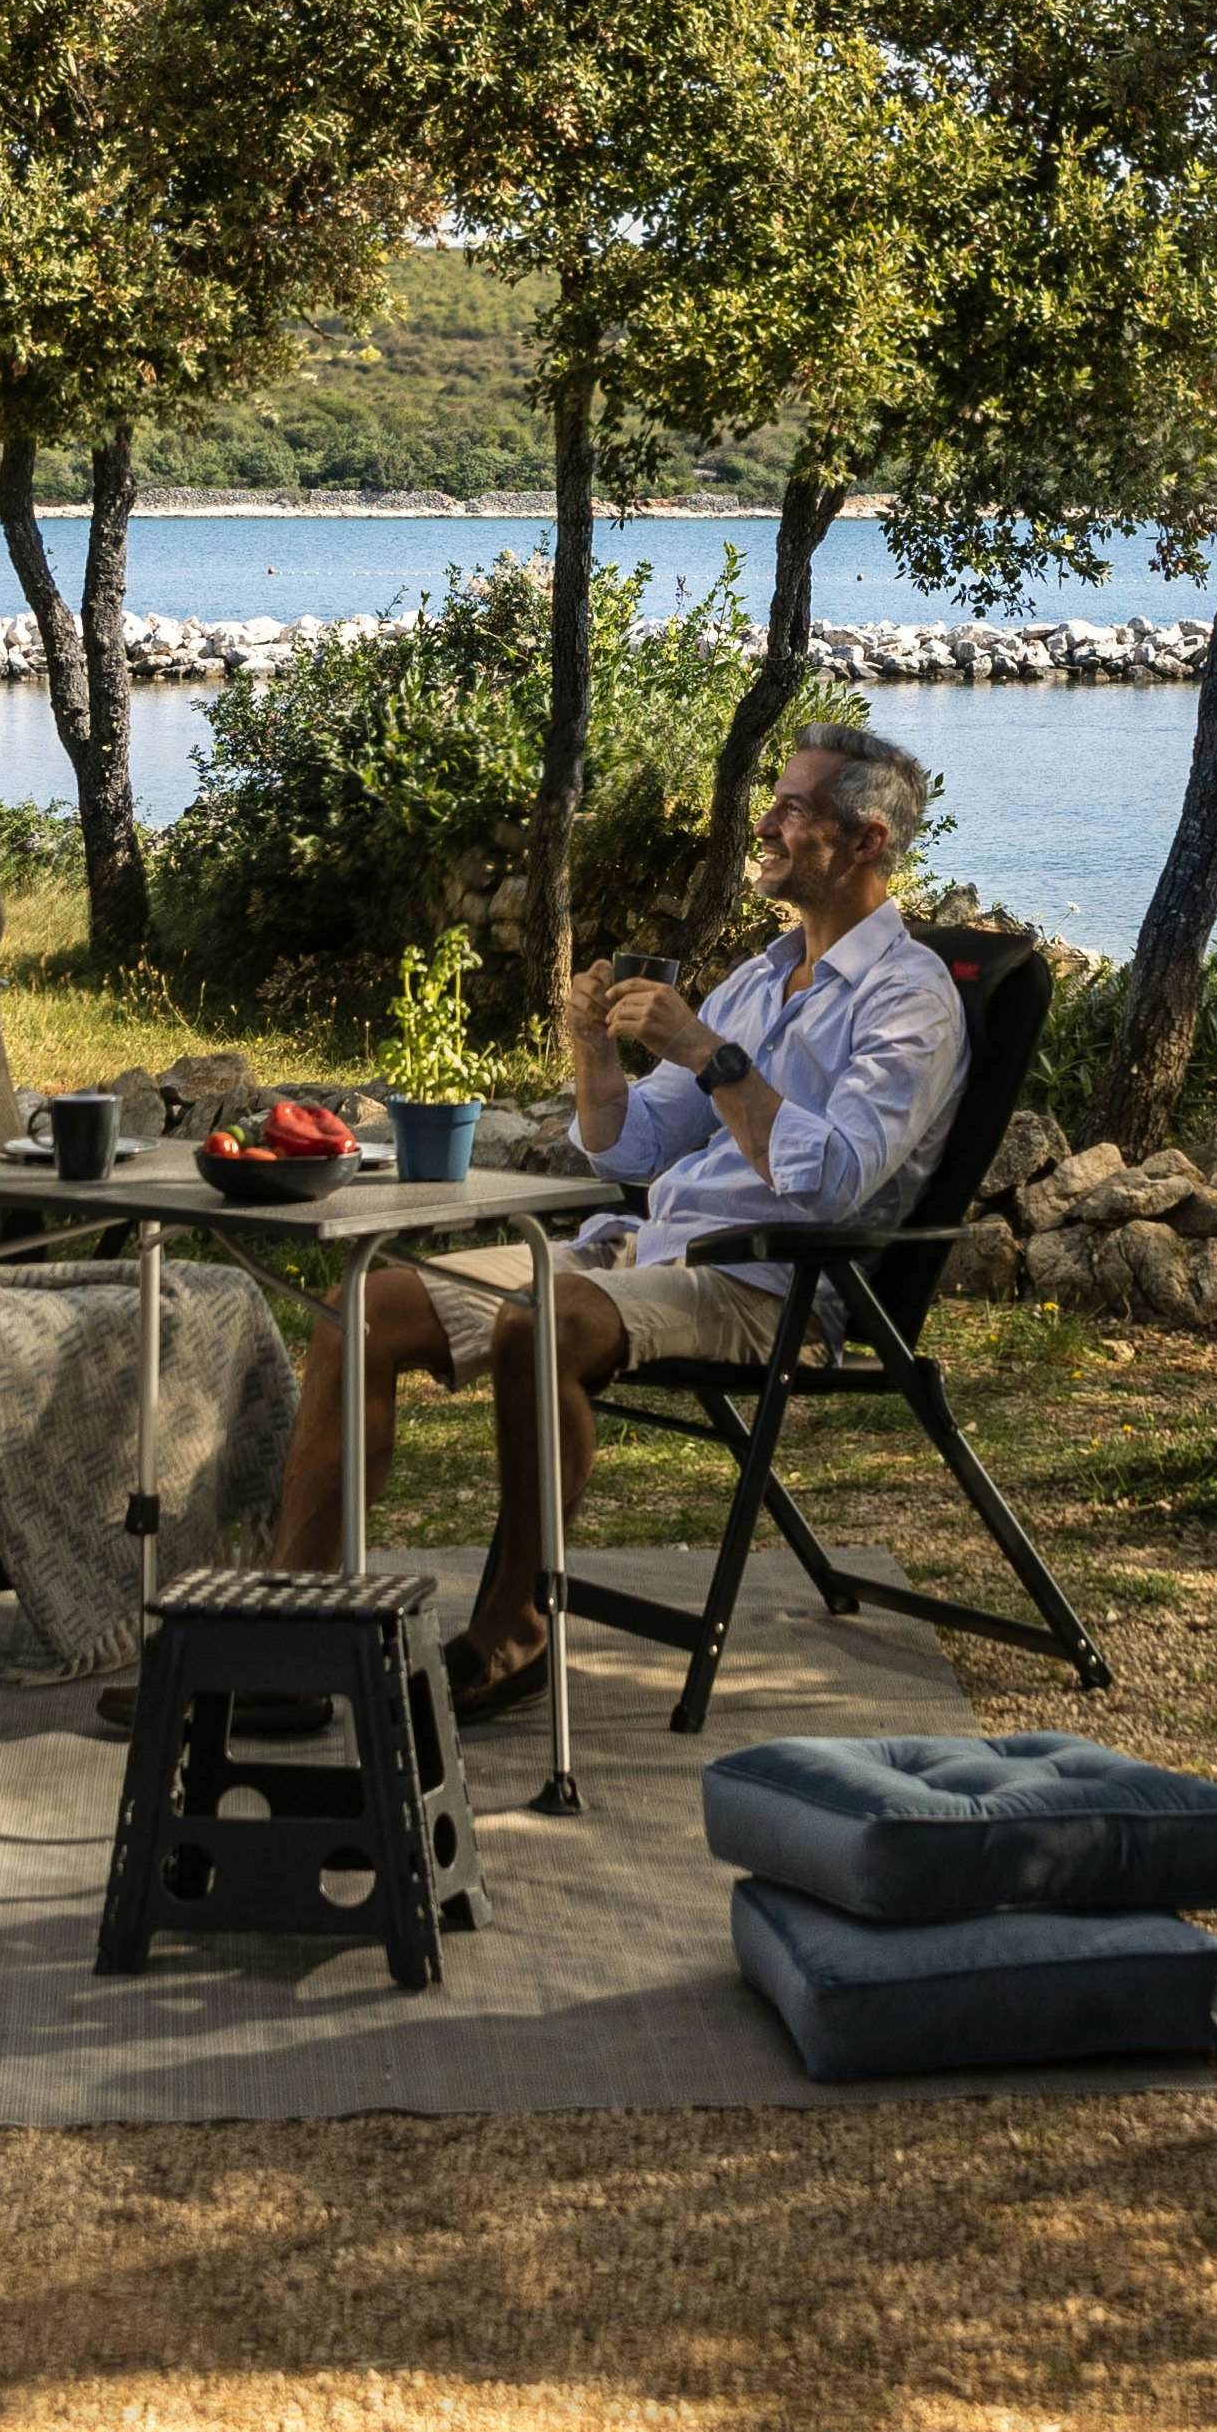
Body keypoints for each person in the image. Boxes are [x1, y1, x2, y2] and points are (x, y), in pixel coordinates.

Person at [273, 723, 960, 1722]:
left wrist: (708, 1051)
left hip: (772, 1283)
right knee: (360, 1308)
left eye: (793, 808)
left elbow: (836, 1180)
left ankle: (512, 1633)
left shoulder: (911, 998)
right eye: (772, 801)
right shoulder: (765, 975)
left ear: (865, 841)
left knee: (536, 1322)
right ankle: (286, 1643)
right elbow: (630, 1149)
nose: (763, 824)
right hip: (648, 1254)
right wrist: (594, 1049)